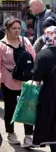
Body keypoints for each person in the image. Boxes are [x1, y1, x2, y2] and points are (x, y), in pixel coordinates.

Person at [0, 18, 36, 147]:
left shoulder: (25, 41)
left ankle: (28, 137)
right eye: (14, 28)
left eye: (19, 28)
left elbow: (34, 57)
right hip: (8, 82)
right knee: (10, 109)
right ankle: (11, 133)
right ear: (7, 30)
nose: (17, 31)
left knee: (28, 108)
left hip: (26, 82)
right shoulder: (1, 45)